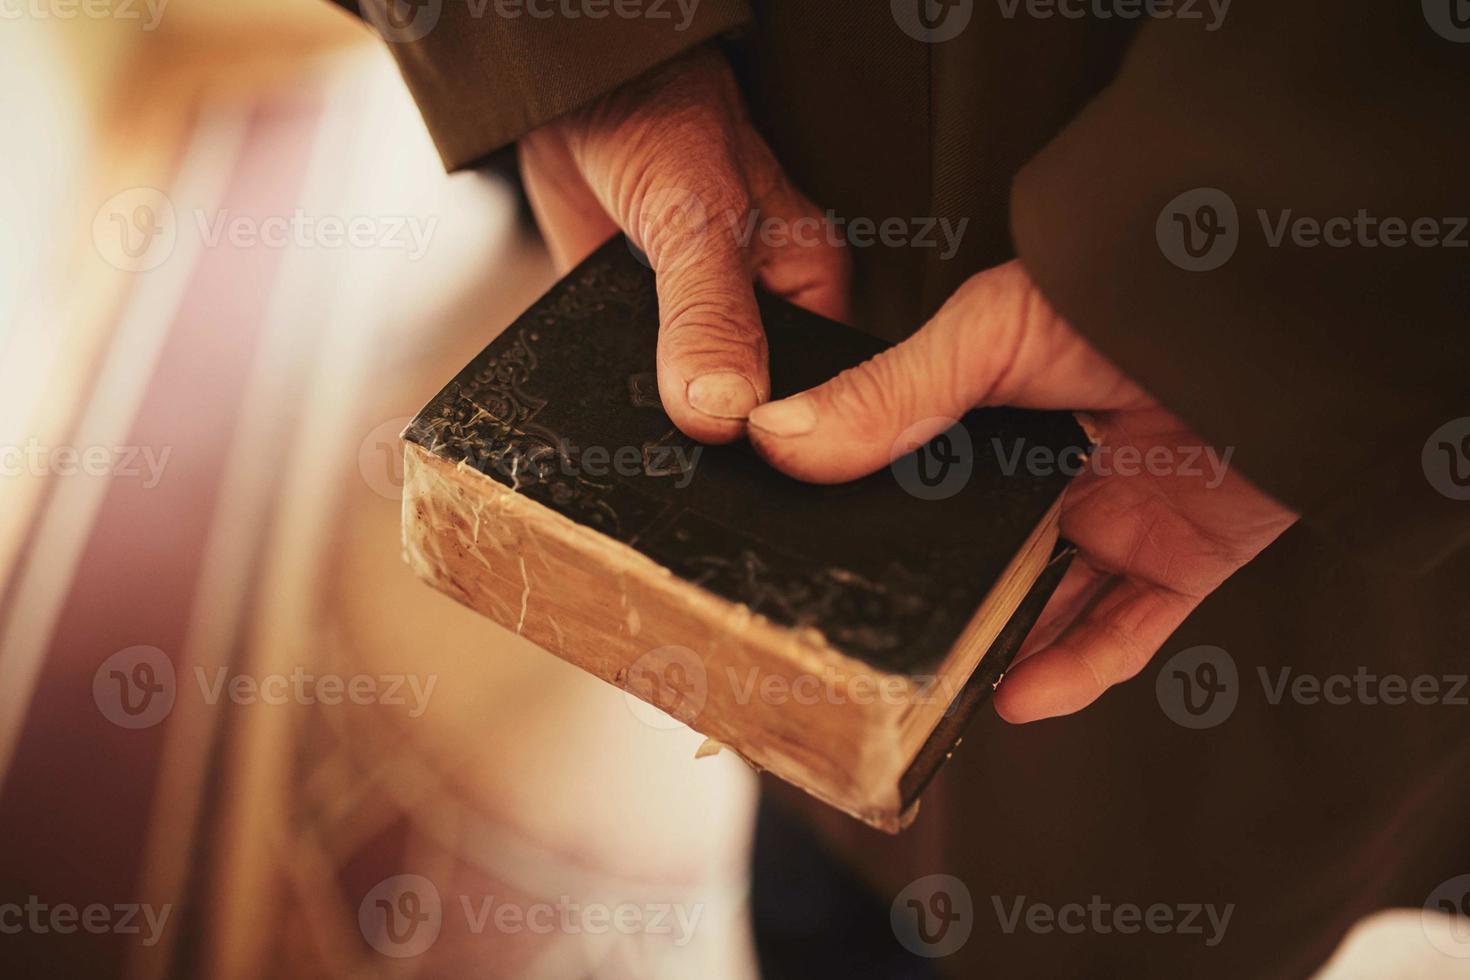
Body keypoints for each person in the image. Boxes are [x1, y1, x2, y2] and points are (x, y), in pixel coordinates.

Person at [323, 1, 1470, 974]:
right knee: (825, 860)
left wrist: (1241, 292)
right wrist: (578, 52)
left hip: (1274, 495)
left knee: (1148, 883)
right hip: (790, 154)